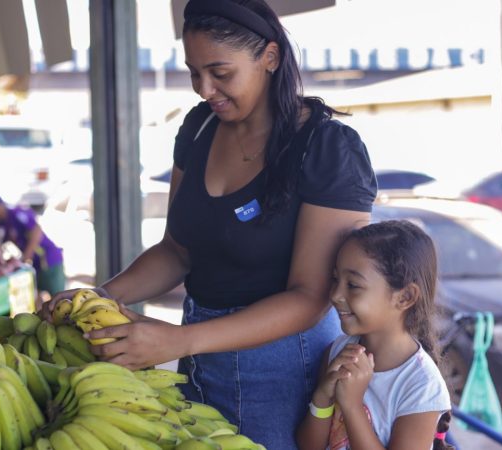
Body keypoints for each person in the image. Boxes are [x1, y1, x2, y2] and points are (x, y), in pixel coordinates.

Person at [43, 0, 377, 446]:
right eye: (193, 72)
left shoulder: (326, 148)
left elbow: (311, 298)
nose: (204, 89)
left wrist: (180, 341)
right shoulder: (200, 128)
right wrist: (100, 297)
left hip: (286, 373)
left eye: (220, 73)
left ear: (270, 58)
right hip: (199, 363)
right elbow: (178, 250)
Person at [297, 221, 452, 450]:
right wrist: (322, 396)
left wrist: (351, 405)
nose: (336, 295)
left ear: (405, 297)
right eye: (335, 279)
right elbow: (308, 446)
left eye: (353, 285)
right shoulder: (337, 352)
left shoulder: (421, 386)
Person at [0, 194, 66, 297]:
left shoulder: (17, 214)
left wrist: (26, 257)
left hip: (48, 259)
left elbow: (36, 232)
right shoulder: (1, 223)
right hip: (35, 264)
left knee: (58, 297)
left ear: (1, 205)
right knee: (38, 295)